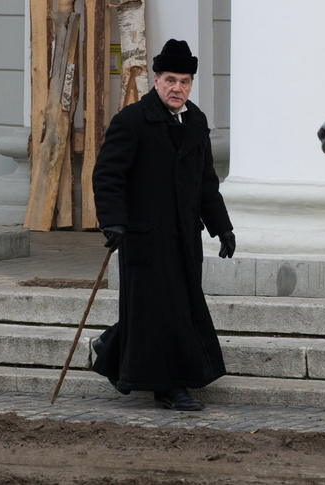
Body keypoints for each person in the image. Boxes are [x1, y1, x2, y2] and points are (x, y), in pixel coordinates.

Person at [91, 39, 236, 411]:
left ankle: (108, 351)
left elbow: (206, 181)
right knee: (158, 310)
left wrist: (222, 226)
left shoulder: (197, 121)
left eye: (185, 81)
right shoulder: (132, 121)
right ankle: (168, 387)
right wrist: (114, 223)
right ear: (155, 80)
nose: (177, 88)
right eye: (170, 80)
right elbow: (108, 176)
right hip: (144, 238)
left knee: (171, 307)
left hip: (185, 237)